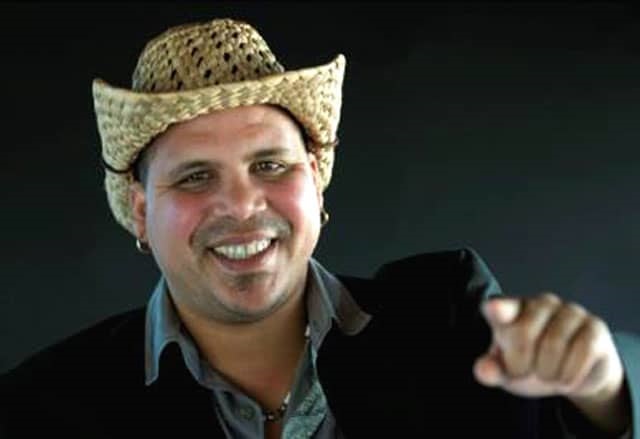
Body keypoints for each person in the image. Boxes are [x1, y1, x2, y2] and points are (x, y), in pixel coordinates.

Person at [1, 17, 638, 439]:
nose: (242, 205)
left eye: (269, 165)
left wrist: (604, 387)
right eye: (195, 177)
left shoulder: (446, 319)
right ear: (141, 210)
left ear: (314, 178)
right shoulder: (41, 408)